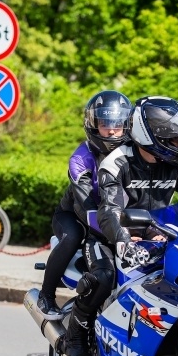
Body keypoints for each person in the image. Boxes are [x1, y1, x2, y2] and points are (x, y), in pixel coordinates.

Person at [61, 95, 178, 356]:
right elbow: (109, 211)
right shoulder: (117, 162)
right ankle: (76, 339)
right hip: (108, 236)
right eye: (174, 138)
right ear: (153, 136)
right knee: (103, 277)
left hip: (155, 235)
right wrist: (123, 239)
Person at [36, 90, 133, 322]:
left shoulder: (134, 152)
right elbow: (89, 206)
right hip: (77, 216)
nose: (111, 130)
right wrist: (122, 235)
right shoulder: (81, 159)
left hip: (115, 218)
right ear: (93, 124)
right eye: (105, 123)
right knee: (72, 235)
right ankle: (46, 295)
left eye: (117, 124)